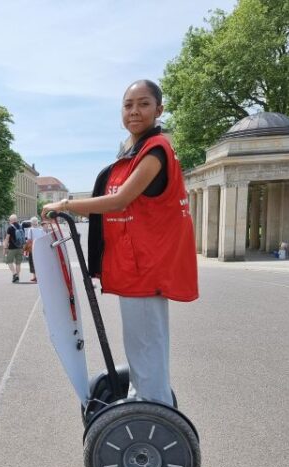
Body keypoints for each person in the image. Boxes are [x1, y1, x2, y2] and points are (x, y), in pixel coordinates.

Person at [42, 80, 198, 405]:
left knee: (146, 349)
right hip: (134, 266)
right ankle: (141, 400)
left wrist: (66, 205)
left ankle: (152, 413)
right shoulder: (132, 151)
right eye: (128, 105)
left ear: (159, 109)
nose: (135, 111)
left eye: (143, 104)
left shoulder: (155, 151)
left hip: (146, 268)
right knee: (142, 348)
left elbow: (120, 201)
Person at [24, 216, 46, 283]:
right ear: (37, 222)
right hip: (39, 248)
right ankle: (40, 276)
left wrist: (26, 249)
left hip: (32, 248)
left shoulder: (30, 230)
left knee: (32, 262)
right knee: (39, 262)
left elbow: (29, 239)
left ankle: (34, 277)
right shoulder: (41, 230)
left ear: (31, 223)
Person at [3, 214, 24, 283]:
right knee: (18, 263)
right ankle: (17, 277)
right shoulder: (21, 227)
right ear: (16, 220)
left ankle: (15, 274)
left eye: (9, 220)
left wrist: (5, 248)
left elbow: (7, 239)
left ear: (11, 220)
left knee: (9, 261)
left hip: (12, 248)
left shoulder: (10, 228)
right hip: (20, 248)